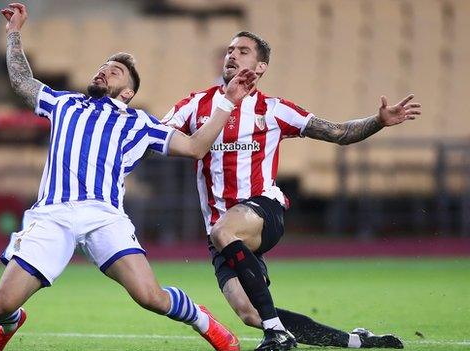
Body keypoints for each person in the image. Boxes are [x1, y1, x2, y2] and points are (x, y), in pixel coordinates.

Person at [0, 4, 258, 351]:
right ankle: (10, 323)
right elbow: (22, 81)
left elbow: (196, 147)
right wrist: (14, 33)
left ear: (127, 93)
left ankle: (204, 322)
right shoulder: (63, 103)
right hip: (51, 215)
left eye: (114, 72)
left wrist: (229, 101)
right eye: (102, 68)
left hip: (105, 217)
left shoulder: (139, 123)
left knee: (150, 296)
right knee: (0, 306)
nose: (103, 72)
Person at [162, 31, 420, 351]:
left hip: (261, 210)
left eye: (243, 51)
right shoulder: (195, 104)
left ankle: (277, 334)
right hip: (221, 231)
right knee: (250, 312)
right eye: (230, 50)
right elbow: (156, 137)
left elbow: (338, 133)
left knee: (225, 231)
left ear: (261, 67)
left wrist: (378, 121)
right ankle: (357, 341)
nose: (232, 55)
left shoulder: (274, 110)